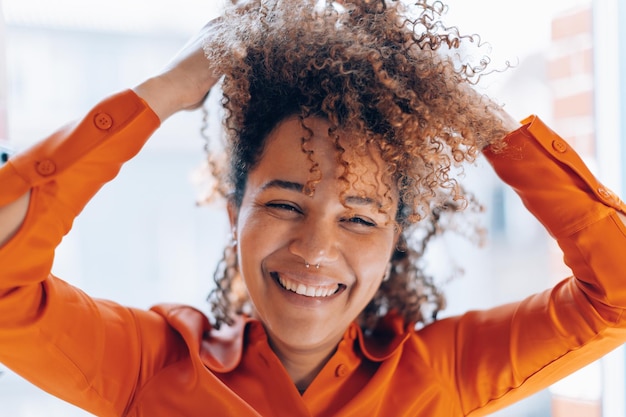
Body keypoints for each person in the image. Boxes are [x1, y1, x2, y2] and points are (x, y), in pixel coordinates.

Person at [1, 0, 625, 416]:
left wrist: (487, 126)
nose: (316, 250)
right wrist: (165, 91)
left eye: (359, 218)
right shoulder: (152, 365)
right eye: (285, 204)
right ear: (232, 213)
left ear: (394, 242)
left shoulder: (444, 375)